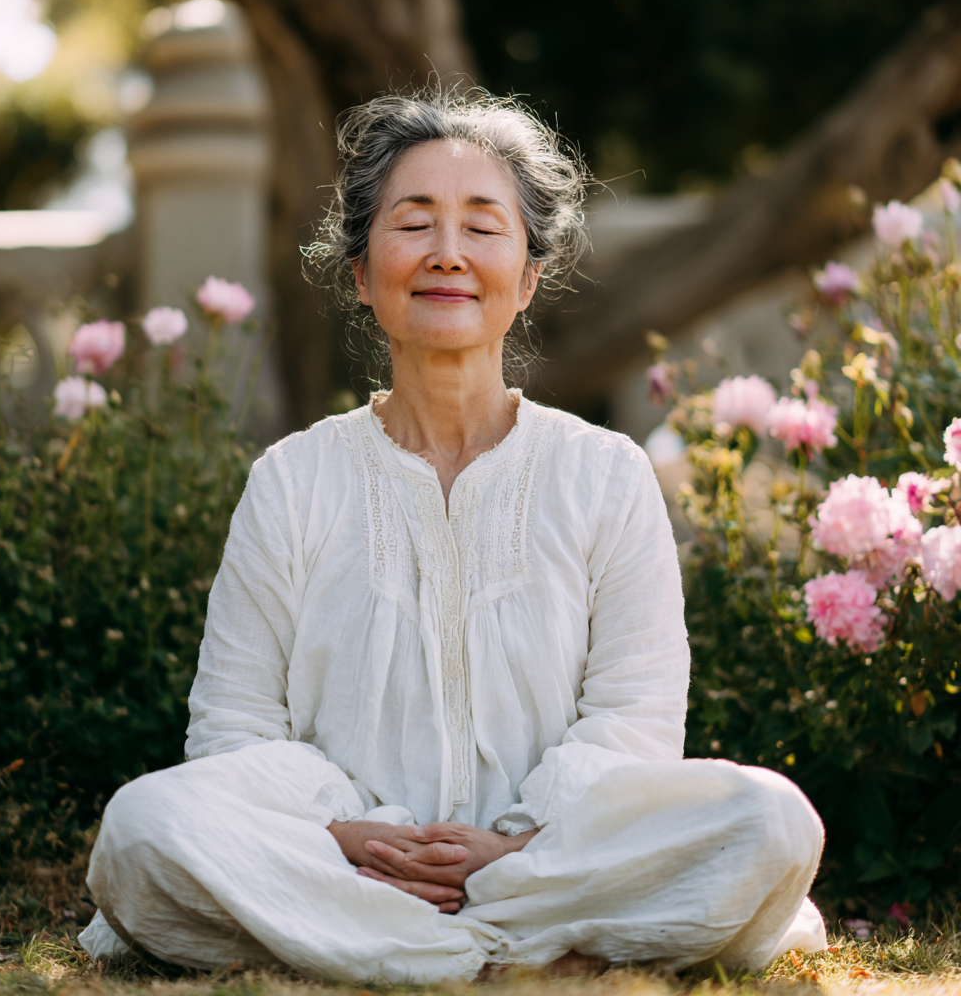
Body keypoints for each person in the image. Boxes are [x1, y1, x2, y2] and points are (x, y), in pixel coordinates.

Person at [79, 89, 826, 983]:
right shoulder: (291, 479)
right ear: (360, 272)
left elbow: (634, 725)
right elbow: (234, 732)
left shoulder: (606, 473)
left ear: (529, 274)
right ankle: (516, 942)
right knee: (141, 830)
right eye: (414, 223)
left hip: (544, 853)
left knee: (771, 821)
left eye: (482, 226)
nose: (447, 254)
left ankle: (390, 945)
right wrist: (354, 837)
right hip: (353, 866)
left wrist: (512, 848)